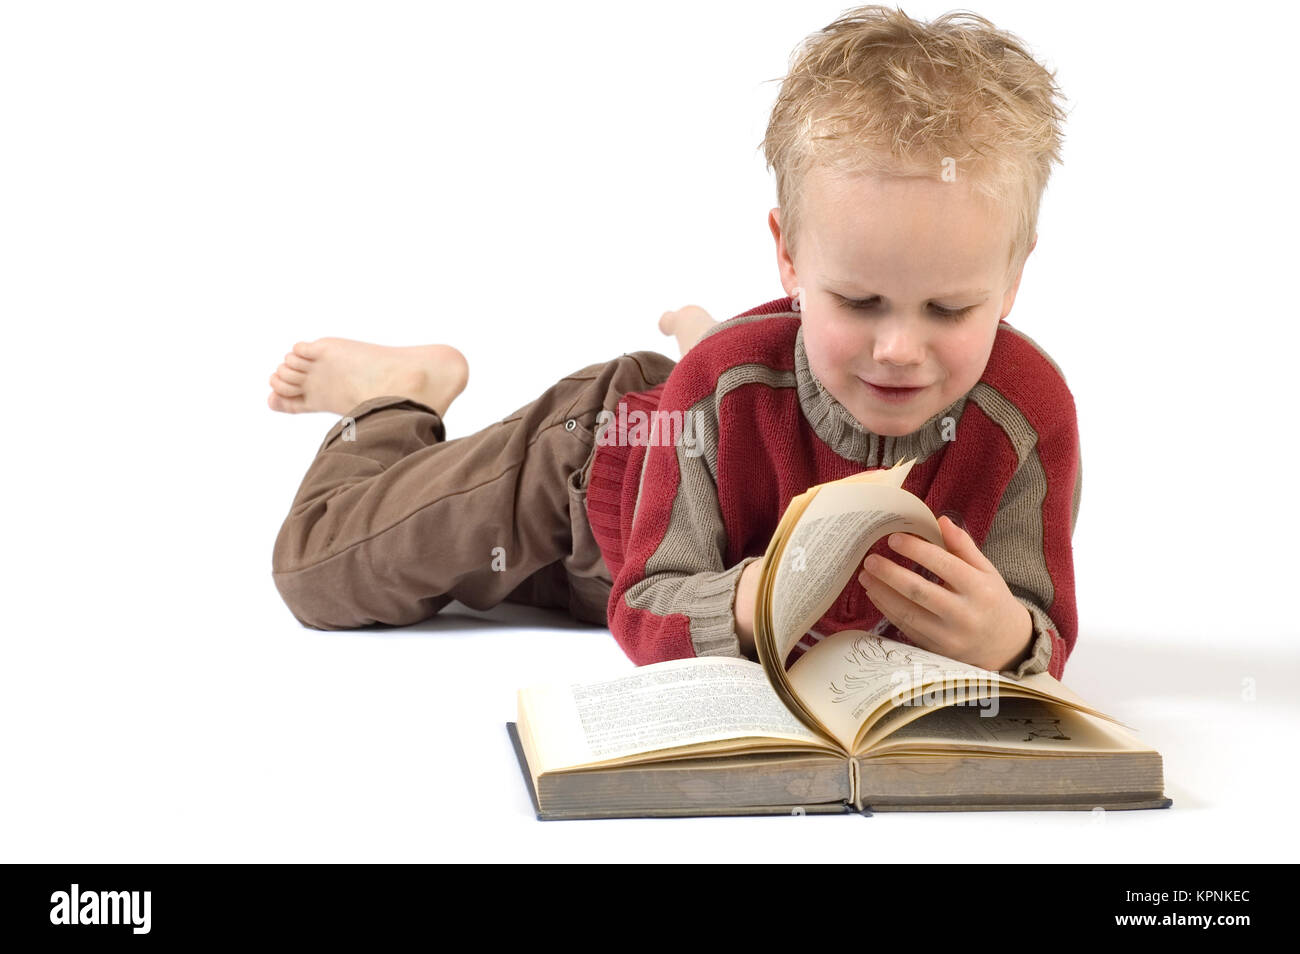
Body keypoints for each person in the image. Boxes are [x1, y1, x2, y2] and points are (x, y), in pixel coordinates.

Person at [268, 5, 1081, 681]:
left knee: (730, 384)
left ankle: (730, 335)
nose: (901, 348)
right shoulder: (721, 389)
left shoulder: (1028, 413)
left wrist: (1007, 642)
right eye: (860, 300)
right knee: (321, 573)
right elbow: (642, 605)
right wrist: (746, 599)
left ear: (1012, 279)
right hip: (587, 481)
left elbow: (1041, 621)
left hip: (677, 499)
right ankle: (398, 395)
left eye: (949, 308)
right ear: (790, 257)